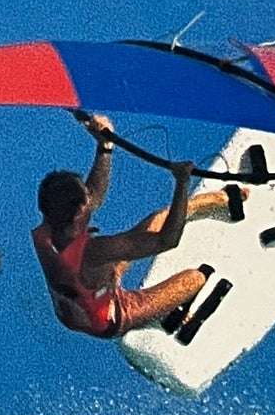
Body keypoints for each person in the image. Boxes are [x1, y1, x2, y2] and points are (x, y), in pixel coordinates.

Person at [32, 111, 243, 339]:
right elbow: (167, 241)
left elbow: (93, 198)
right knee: (194, 279)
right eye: (86, 193)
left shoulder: (53, 219)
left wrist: (105, 147)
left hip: (78, 304)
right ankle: (164, 315)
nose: (90, 194)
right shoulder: (97, 251)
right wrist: (182, 184)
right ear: (79, 212)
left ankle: (211, 201)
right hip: (112, 318)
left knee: (161, 217)